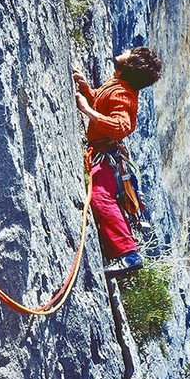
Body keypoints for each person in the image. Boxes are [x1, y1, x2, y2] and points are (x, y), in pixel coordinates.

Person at [73, 47, 162, 277]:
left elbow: (120, 126)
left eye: (129, 52)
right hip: (106, 152)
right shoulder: (118, 85)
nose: (125, 50)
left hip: (107, 155)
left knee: (100, 196)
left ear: (129, 64)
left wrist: (85, 110)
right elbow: (104, 105)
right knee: (101, 196)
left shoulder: (123, 92)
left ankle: (129, 254)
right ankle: (126, 251)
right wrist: (87, 91)